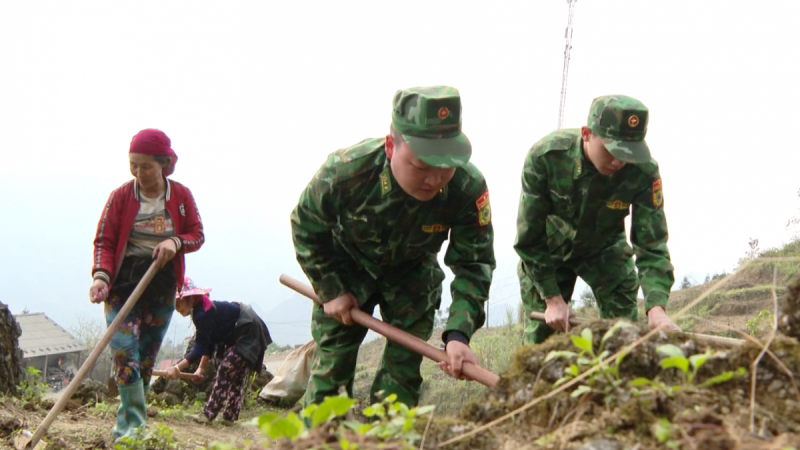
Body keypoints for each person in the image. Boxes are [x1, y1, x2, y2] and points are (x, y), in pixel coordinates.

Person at [290, 85, 496, 409]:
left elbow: (474, 263)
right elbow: (306, 225)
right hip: (346, 269)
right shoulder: (347, 171)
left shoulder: (467, 188)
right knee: (331, 374)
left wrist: (458, 334)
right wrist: (330, 288)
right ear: (391, 146)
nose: (434, 179)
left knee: (400, 384)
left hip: (412, 274)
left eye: (446, 166)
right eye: (421, 166)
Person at [514, 95, 680, 345]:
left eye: (628, 154)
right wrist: (553, 299)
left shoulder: (643, 172)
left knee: (623, 337)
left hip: (606, 248)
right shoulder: (545, 158)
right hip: (550, 251)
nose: (618, 162)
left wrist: (656, 308)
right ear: (586, 133)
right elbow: (529, 238)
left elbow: (652, 244)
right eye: (612, 151)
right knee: (543, 341)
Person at [89, 128, 205, 440]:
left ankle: (129, 427)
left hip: (160, 284)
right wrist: (101, 276)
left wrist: (175, 242)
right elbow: (105, 241)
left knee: (146, 353)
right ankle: (133, 427)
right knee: (124, 349)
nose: (139, 173)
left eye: (146, 166)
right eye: (133, 165)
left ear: (164, 164)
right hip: (123, 283)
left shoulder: (180, 197)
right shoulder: (121, 197)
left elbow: (197, 234)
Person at [165, 277, 272, 426]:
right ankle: (229, 418)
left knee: (227, 369)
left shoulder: (202, 312)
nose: (176, 308)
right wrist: (201, 369)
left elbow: (200, 347)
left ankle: (208, 414)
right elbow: (208, 343)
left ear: (189, 298)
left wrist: (177, 367)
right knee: (236, 374)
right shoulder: (200, 309)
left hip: (247, 330)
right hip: (240, 331)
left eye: (178, 302)